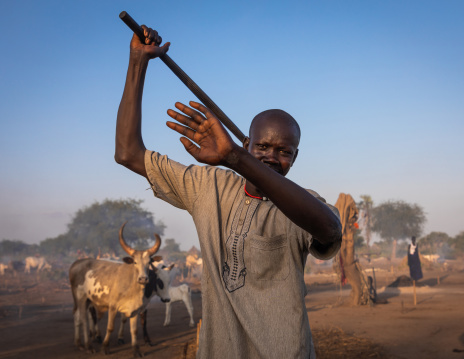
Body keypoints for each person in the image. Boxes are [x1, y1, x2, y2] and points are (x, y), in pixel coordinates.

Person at [115, 25, 342, 359]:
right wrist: (137, 62)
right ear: (248, 142)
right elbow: (127, 153)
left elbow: (330, 229)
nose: (272, 157)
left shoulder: (302, 204)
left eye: (284, 152)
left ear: (294, 158)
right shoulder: (210, 186)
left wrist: (237, 158)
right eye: (262, 146)